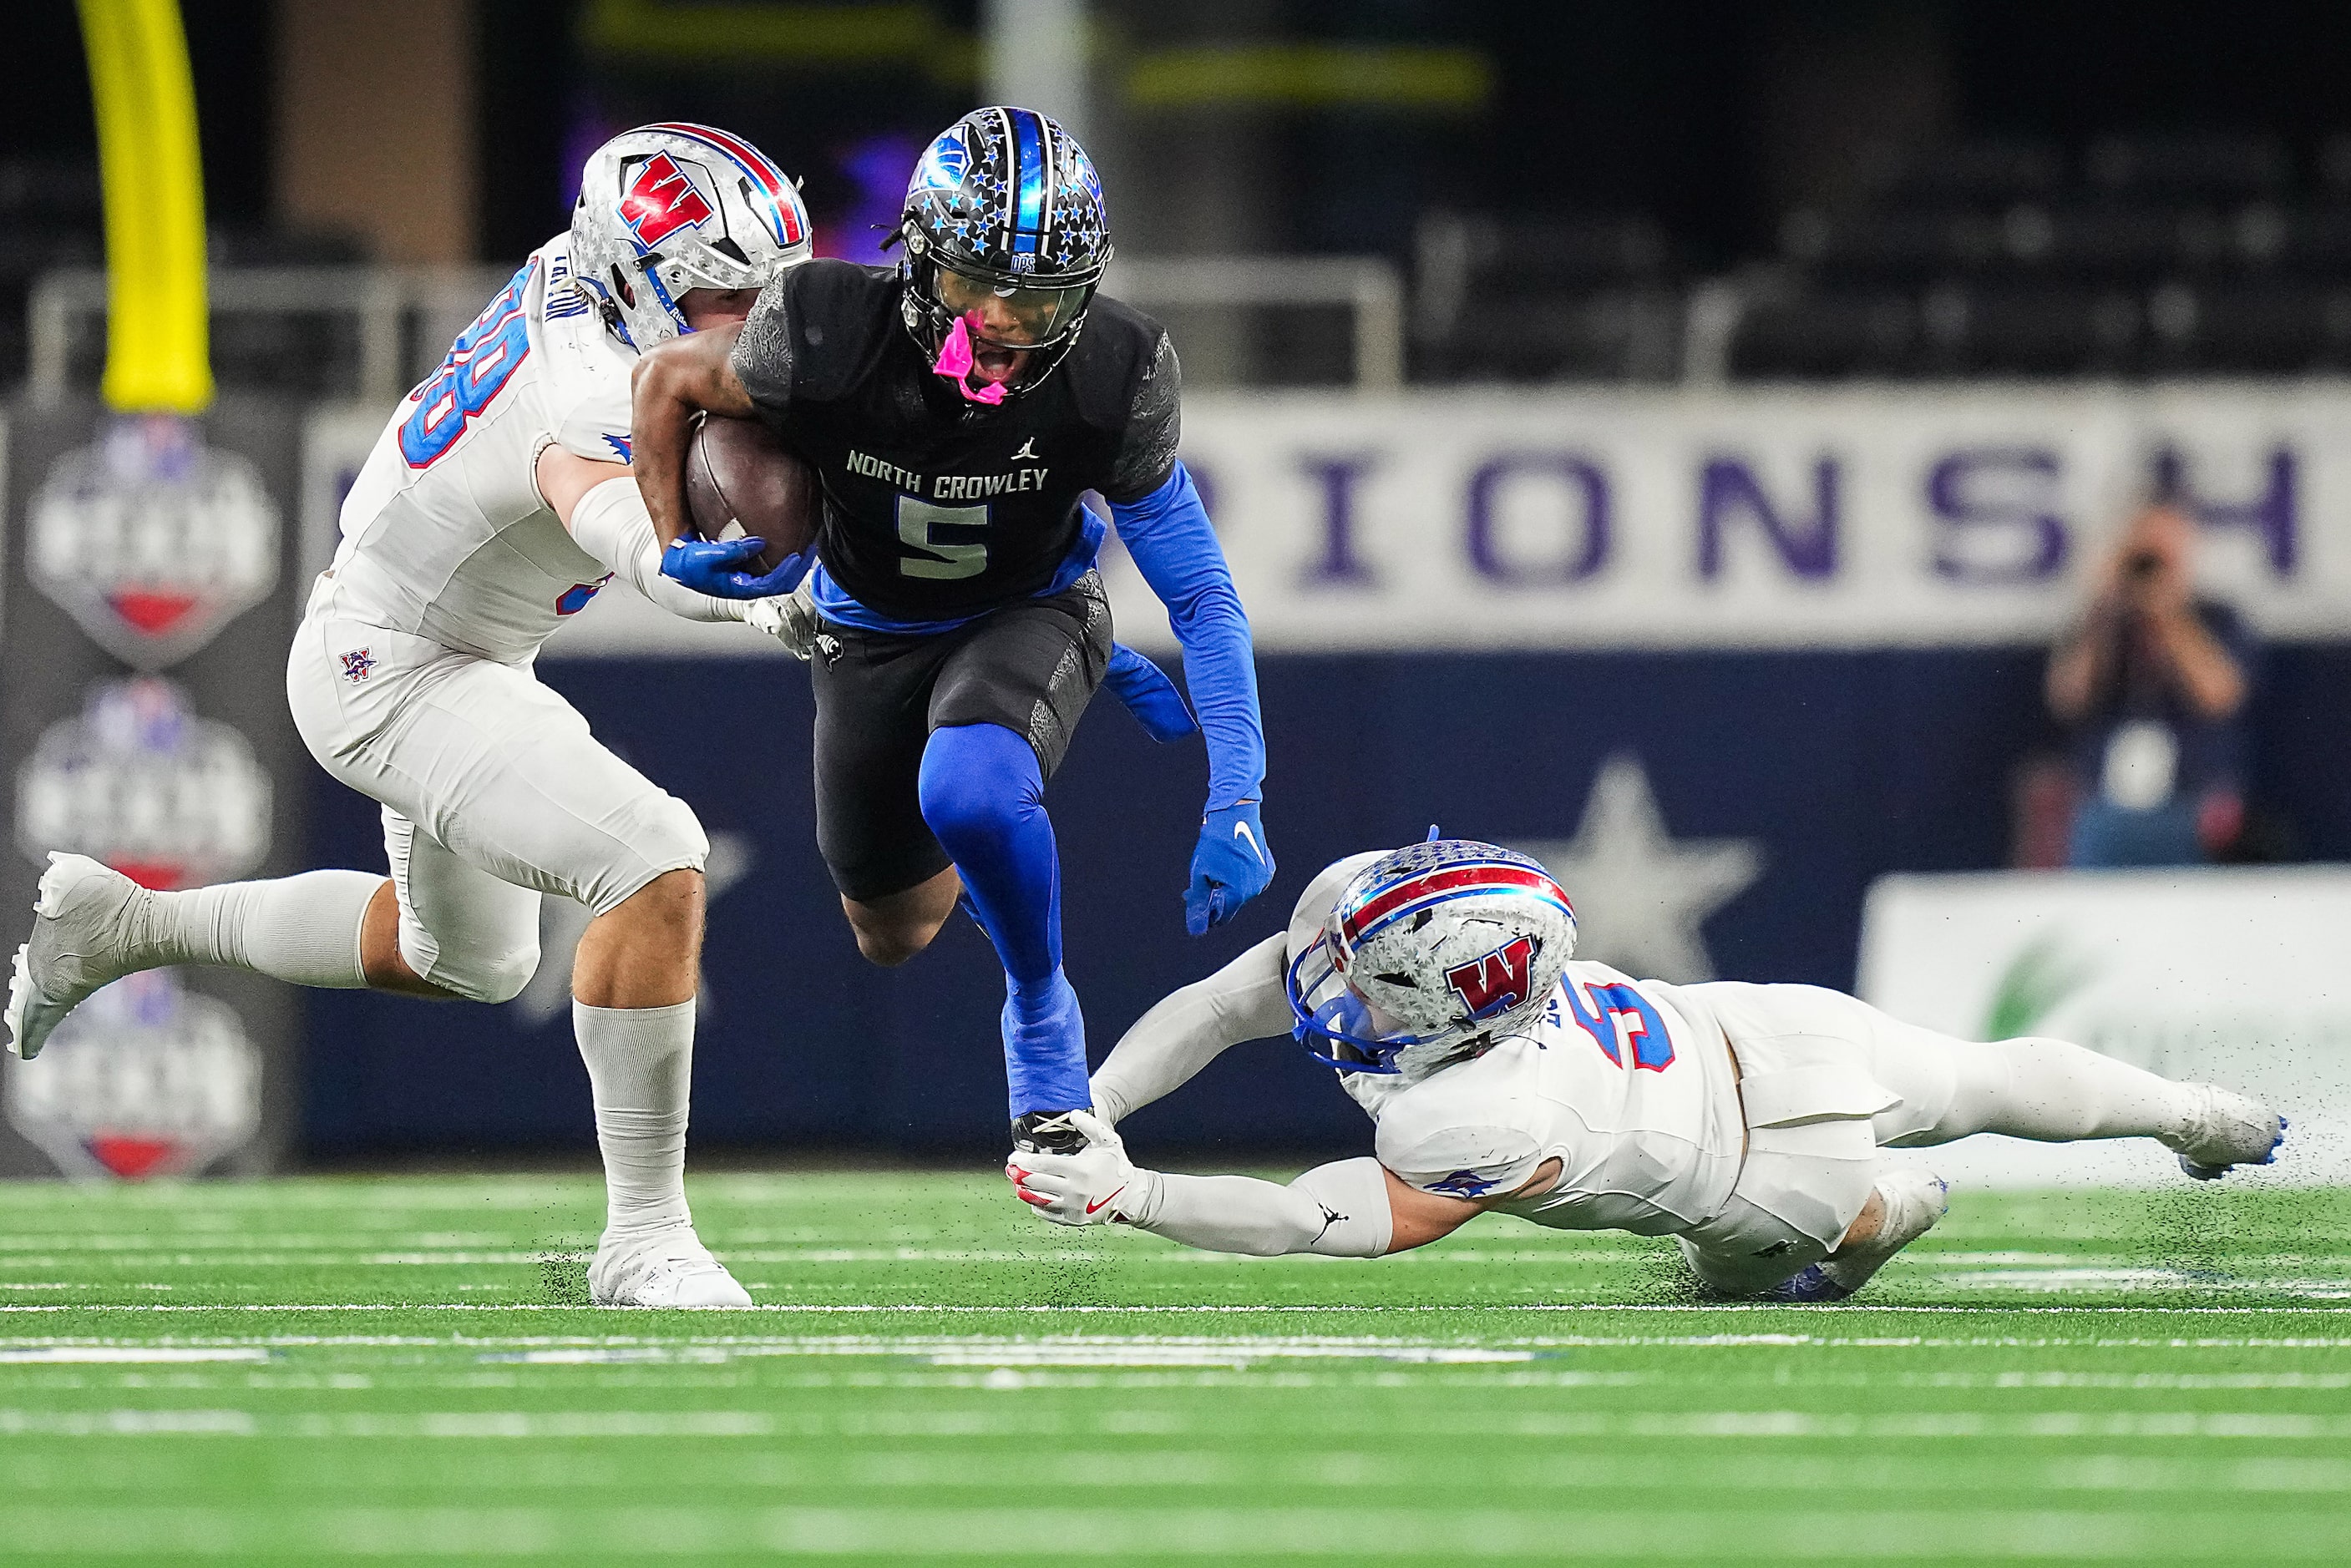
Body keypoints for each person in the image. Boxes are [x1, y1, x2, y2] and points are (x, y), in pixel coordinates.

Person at [6, 124, 817, 1308]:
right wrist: (769, 609)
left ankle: (123, 925)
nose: (747, 321)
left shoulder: (587, 282)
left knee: (460, 960)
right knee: (656, 863)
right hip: (394, 667)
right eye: (720, 292)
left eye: (764, 291)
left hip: (436, 638)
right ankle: (644, 1237)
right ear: (638, 275)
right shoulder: (584, 381)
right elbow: (622, 527)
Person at [627, 107, 1274, 1158]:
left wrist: (1238, 791)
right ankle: (1050, 748)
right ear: (918, 260)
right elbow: (666, 381)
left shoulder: (1117, 370)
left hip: (1026, 607)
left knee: (967, 789)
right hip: (866, 627)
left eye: (1044, 297)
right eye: (981, 286)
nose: (1012, 323)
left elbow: (1201, 593)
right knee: (892, 933)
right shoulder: (826, 326)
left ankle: (1039, 1008)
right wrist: (665, 540)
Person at [1006, 839, 2285, 1299]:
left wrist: (1130, 1193)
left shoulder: (1467, 1109)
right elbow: (1230, 999)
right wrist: (1092, 1107)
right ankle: (2193, 1113)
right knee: (1978, 1078)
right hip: (1765, 1029)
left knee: (1741, 1279)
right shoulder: (1371, 919)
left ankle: (1878, 1214)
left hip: (1757, 1167)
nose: (1330, 977)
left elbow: (1308, 1218)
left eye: (1372, 977)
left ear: (1457, 1010)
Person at [2046, 496, 2256, 867]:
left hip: (2193, 802)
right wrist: (2104, 606)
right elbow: (2068, 698)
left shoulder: (2218, 618)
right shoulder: (2102, 622)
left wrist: (2168, 615)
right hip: (2107, 805)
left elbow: (2220, 695)